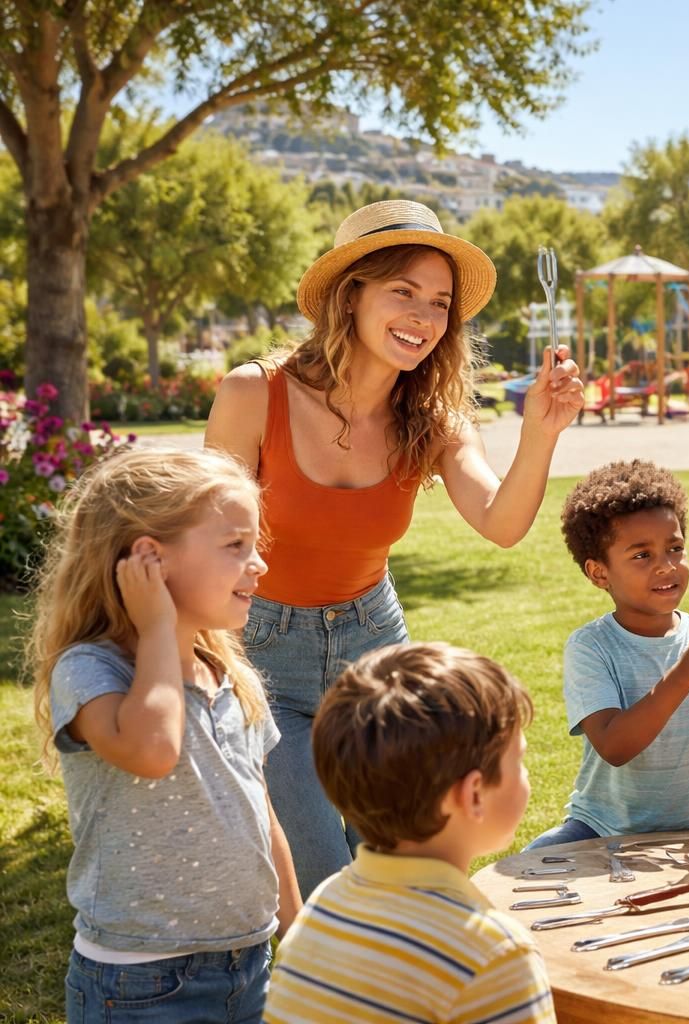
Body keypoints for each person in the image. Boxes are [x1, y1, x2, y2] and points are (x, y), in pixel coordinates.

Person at [205, 199, 583, 896]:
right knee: (322, 873)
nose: (423, 317)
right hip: (263, 654)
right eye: (403, 292)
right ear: (351, 296)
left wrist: (542, 431)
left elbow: (501, 522)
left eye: (439, 303)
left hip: (374, 649)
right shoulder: (254, 394)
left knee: (404, 863)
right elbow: (205, 544)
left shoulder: (434, 419)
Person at [28, 448, 300, 1023]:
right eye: (235, 545)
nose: (258, 564)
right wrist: (157, 627)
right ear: (148, 558)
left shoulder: (229, 676)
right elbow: (153, 750)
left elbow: (262, 812)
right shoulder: (91, 670)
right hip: (140, 983)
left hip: (249, 966)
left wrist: (296, 932)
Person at [265, 642, 554, 1024]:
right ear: (474, 794)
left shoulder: (322, 909)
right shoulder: (495, 955)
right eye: (520, 761)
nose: (526, 775)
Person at [524, 460, 689, 849]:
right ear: (599, 573)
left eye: (675, 548)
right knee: (532, 862)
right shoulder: (591, 646)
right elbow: (615, 747)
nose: (666, 566)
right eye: (641, 555)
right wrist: (685, 674)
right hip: (602, 829)